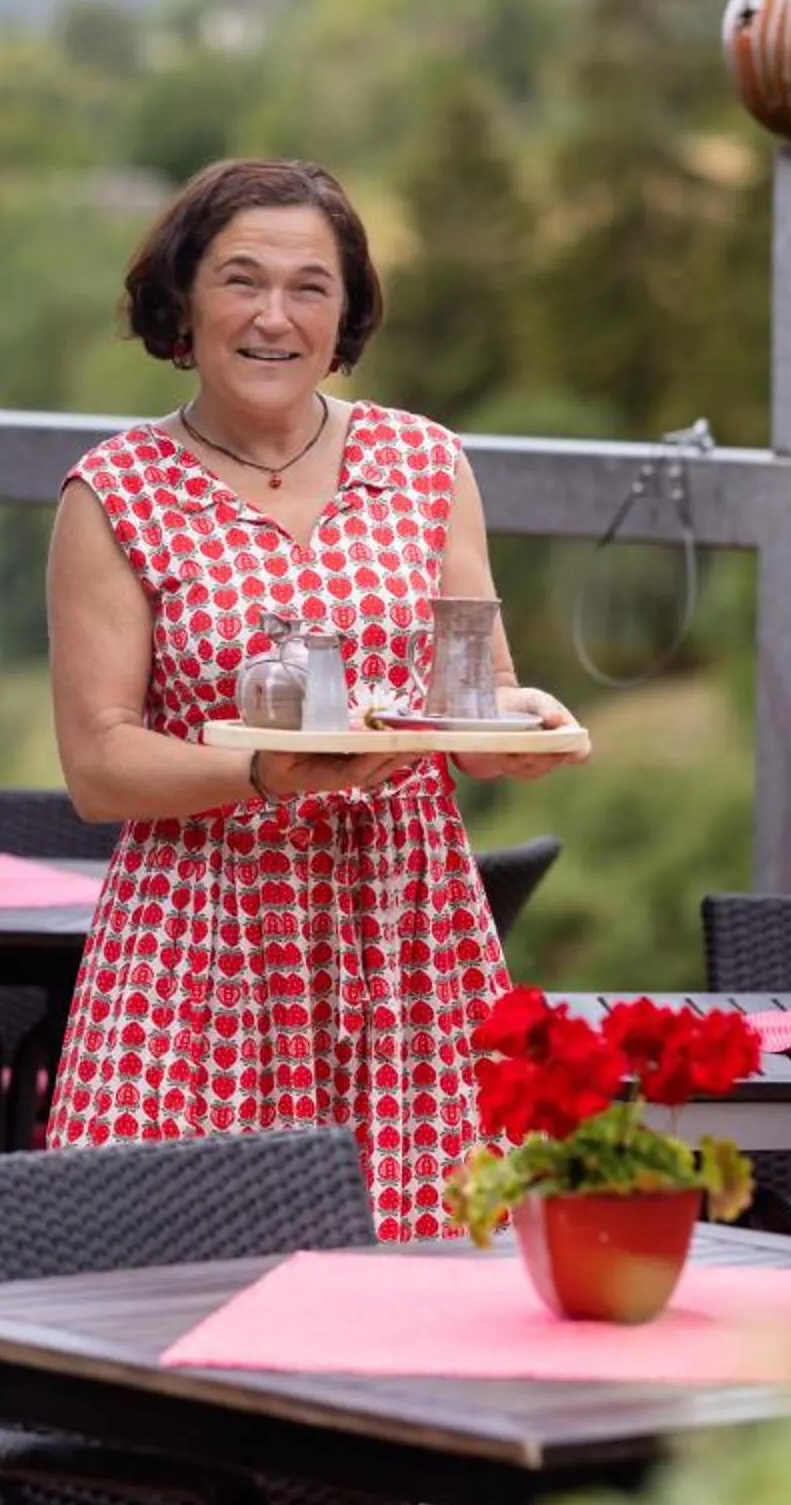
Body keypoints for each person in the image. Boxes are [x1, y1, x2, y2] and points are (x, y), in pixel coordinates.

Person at [46, 157, 588, 1240]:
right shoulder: (114, 491)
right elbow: (99, 765)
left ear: (346, 314)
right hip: (201, 937)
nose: (273, 317)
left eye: (310, 287)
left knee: (428, 1282)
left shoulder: (426, 462)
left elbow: (468, 695)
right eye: (241, 280)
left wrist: (525, 728)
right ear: (181, 300)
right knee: (174, 1279)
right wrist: (258, 770)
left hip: (404, 926)